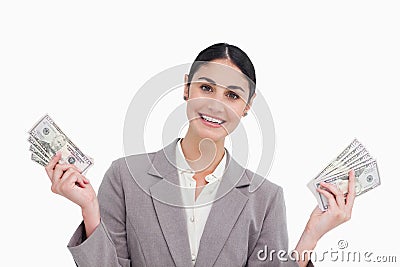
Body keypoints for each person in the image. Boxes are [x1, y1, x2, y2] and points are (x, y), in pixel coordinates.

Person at [45, 43, 356, 267]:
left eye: (232, 95)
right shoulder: (126, 176)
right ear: (187, 88)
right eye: (207, 88)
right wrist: (89, 209)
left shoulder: (266, 199)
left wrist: (310, 238)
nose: (216, 105)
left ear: (246, 107)